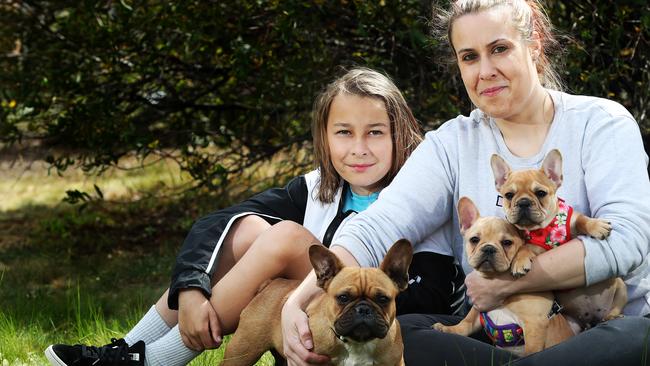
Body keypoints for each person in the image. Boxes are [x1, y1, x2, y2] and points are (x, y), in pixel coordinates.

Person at [280, 1, 650, 365]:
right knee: (407, 333)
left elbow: (626, 239)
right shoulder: (451, 143)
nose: (485, 70)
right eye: (469, 57)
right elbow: (379, 226)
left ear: (534, 45)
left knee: (637, 338)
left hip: (602, 330)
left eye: (499, 49)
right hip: (496, 339)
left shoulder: (602, 122)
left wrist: (513, 282)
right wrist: (296, 302)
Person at [45, 67, 465, 366]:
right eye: (344, 132)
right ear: (323, 136)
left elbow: (428, 285)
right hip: (313, 313)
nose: (359, 148)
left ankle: (157, 360)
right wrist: (191, 288)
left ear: (402, 132)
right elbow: (219, 223)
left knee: (283, 238)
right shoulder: (318, 188)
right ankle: (129, 349)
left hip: (389, 315)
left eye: (375, 132)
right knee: (247, 226)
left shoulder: (418, 186)